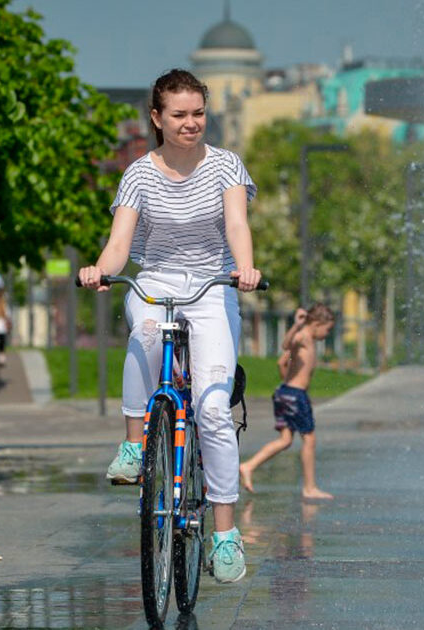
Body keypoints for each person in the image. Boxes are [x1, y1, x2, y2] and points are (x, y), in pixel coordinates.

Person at [78, 69, 262, 584]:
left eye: (198, 113)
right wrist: (101, 270)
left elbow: (235, 225)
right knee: (142, 333)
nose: (190, 123)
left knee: (211, 408)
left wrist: (244, 269)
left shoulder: (226, 166)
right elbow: (119, 243)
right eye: (179, 115)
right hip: (156, 281)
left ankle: (225, 535)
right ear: (157, 118)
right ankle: (135, 444)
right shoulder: (139, 174)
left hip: (211, 288)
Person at [239, 304, 336, 500]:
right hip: (294, 394)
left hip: (287, 392)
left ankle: (248, 466)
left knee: (285, 440)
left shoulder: (306, 339)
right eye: (327, 330)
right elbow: (285, 345)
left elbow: (281, 361)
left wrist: (286, 384)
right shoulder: (303, 337)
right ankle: (309, 488)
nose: (327, 334)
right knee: (309, 439)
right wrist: (295, 326)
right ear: (317, 324)